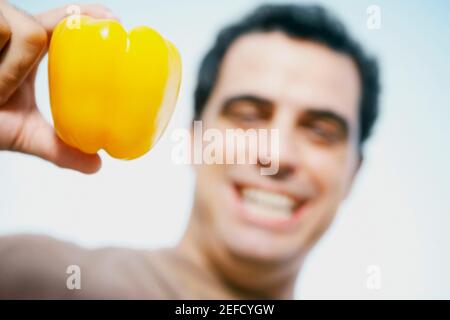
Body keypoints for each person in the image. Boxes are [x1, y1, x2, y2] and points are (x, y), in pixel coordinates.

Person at [0, 1, 380, 299]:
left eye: (320, 131)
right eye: (247, 116)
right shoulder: (26, 275)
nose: (276, 155)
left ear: (354, 172)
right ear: (195, 140)